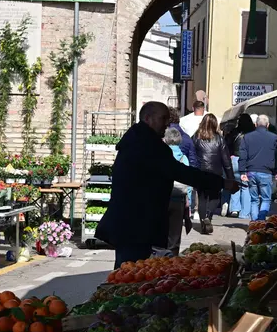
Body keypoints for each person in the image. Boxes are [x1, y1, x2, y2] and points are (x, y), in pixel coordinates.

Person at [96, 101, 238, 269]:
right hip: (137, 224)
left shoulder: (137, 139)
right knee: (131, 272)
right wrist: (221, 182)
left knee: (129, 270)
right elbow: (181, 172)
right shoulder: (147, 145)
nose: (167, 124)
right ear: (148, 118)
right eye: (163, 118)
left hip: (132, 222)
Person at [192, 114, 234, 234]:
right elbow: (226, 160)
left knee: (202, 198)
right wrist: (230, 177)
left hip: (200, 172)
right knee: (215, 197)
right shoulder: (219, 139)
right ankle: (208, 216)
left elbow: (191, 154)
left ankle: (203, 222)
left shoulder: (196, 137)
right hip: (215, 173)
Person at [240, 115, 277, 221]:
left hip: (251, 172)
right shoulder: (274, 138)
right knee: (266, 199)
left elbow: (243, 155)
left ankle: (254, 223)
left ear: (255, 124)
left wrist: (242, 171)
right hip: (266, 172)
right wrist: (276, 171)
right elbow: (276, 155)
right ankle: (261, 221)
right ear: (268, 125)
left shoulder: (247, 137)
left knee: (254, 200)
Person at [223, 114, 256, 219]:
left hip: (234, 159)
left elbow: (226, 144)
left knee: (235, 185)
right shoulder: (253, 133)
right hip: (247, 161)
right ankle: (245, 213)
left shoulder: (234, 132)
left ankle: (234, 210)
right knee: (245, 187)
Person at [164, 128, 189, 256]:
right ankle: (173, 259)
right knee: (175, 235)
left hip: (163, 197)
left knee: (162, 233)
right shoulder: (184, 158)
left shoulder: (162, 156)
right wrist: (188, 201)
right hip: (179, 198)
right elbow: (188, 183)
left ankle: (161, 260)